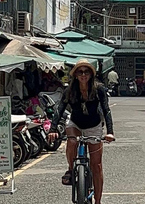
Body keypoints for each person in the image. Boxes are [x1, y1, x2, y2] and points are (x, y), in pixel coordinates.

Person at [48, 60, 115, 204]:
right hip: (76, 124)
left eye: (86, 72)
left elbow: (106, 110)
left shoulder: (99, 89)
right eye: (80, 72)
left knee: (96, 166)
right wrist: (52, 129)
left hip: (94, 125)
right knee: (72, 141)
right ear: (76, 75)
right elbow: (60, 109)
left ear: (91, 74)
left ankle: (98, 201)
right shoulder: (70, 90)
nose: (83, 75)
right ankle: (71, 169)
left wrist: (110, 132)